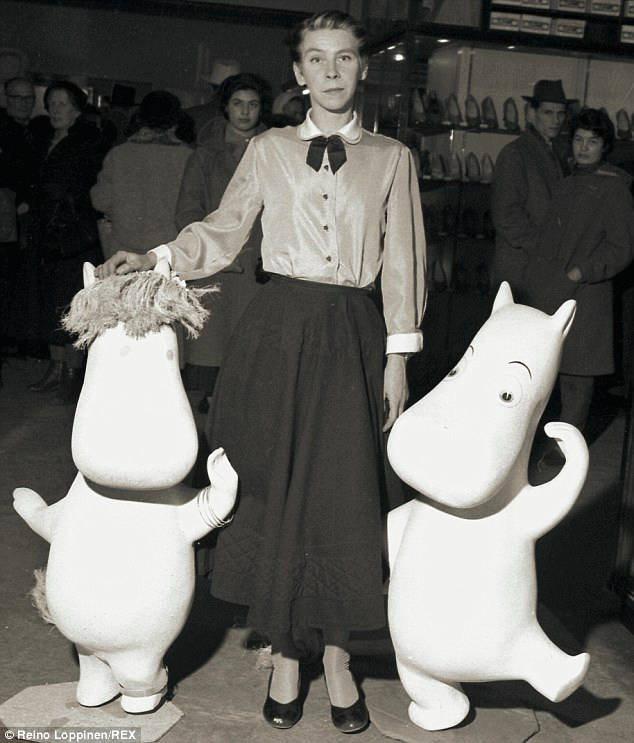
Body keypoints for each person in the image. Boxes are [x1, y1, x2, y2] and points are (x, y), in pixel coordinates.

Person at [95, 9, 426, 734]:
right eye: (317, 58)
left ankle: (337, 656)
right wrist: (156, 258)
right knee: (273, 489)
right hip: (276, 335)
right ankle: (283, 654)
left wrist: (398, 358)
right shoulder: (268, 150)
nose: (332, 70)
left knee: (343, 495)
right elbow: (222, 230)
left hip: (354, 335)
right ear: (299, 73)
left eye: (345, 57)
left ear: (362, 67)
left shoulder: (392, 158)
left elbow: (403, 259)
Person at [521, 108, 634, 465]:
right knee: (543, 378)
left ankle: (562, 456)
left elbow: (621, 249)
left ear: (605, 147)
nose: (584, 148)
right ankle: (533, 450)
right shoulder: (567, 183)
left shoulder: (615, 189)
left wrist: (580, 271)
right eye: (579, 140)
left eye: (593, 142)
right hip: (549, 295)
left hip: (585, 297)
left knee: (575, 383)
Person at [176, 73, 269, 415]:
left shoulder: (275, 152)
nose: (245, 112)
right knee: (206, 365)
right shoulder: (204, 156)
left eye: (253, 104)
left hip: (260, 270)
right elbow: (187, 213)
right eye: (237, 103)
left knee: (250, 366)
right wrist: (216, 254)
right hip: (213, 271)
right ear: (225, 107)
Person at [27, 81, 104, 404]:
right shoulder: (46, 138)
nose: (55, 109)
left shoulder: (87, 141)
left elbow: (84, 188)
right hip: (48, 234)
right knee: (49, 302)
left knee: (72, 303)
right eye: (51, 103)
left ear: (76, 108)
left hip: (73, 236)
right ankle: (56, 368)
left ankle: (72, 373)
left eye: (62, 103)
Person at [492, 79, 576, 300]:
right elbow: (507, 217)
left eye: (560, 114)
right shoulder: (515, 154)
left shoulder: (551, 152)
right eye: (548, 113)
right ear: (531, 113)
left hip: (539, 268)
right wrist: (547, 249)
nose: (556, 120)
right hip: (521, 269)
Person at [91, 90, 194, 259]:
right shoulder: (188, 157)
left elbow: (100, 201)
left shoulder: (119, 153)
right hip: (167, 251)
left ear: (140, 118)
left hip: (122, 249)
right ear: (176, 121)